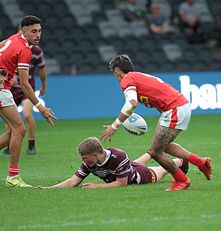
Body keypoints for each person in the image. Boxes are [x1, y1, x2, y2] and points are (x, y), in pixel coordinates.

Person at [101, 54, 211, 191]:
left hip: (174, 109)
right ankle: (200, 162)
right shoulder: (138, 77)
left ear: (117, 72)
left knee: (155, 152)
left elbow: (131, 103)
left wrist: (114, 125)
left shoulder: (127, 79)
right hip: (178, 107)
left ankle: (182, 180)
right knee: (164, 147)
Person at [0, 15, 57, 187]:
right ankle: (13, 178)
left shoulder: (11, 39)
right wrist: (41, 107)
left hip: (4, 86)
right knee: (19, 129)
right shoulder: (25, 49)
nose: (38, 35)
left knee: (13, 131)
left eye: (39, 31)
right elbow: (25, 84)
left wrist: (5, 73)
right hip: (1, 90)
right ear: (23, 31)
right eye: (34, 31)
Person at [44, 137, 189, 189]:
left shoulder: (118, 156)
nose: (83, 161)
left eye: (84, 158)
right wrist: (49, 189)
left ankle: (182, 160)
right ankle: (152, 152)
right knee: (140, 159)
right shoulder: (90, 163)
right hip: (128, 167)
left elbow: (121, 183)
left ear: (95, 155)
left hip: (141, 175)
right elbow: (73, 182)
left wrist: (98, 186)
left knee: (162, 169)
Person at [3, 41, 47, 155]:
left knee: (27, 114)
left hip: (27, 89)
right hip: (10, 90)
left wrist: (43, 85)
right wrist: (6, 78)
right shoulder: (11, 48)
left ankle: (31, 144)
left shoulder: (36, 51)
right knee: (9, 122)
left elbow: (42, 69)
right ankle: (9, 146)